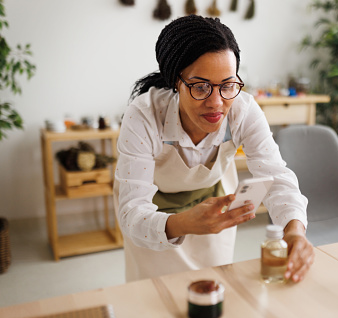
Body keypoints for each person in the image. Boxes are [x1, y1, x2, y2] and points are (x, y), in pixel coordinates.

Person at [113, 14, 314, 283]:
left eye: (228, 85)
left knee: (214, 288)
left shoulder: (243, 110)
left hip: (214, 209)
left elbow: (276, 176)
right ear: (176, 81)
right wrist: (182, 222)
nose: (216, 102)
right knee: (156, 298)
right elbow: (131, 213)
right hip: (153, 217)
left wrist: (294, 232)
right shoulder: (145, 115)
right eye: (201, 87)